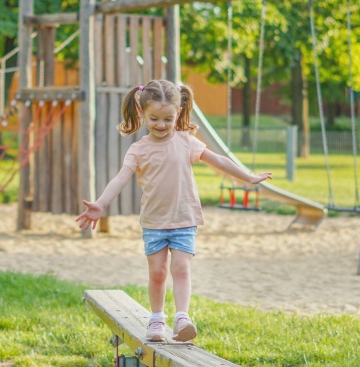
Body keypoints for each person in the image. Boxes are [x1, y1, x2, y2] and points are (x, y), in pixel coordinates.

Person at [75, 79, 272, 342]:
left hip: (184, 220)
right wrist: (101, 203)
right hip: (154, 223)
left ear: (177, 114)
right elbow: (120, 179)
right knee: (157, 273)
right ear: (142, 113)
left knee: (181, 268)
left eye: (168, 119)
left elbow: (219, 160)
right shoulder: (138, 150)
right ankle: (156, 320)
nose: (161, 124)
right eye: (154, 118)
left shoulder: (186, 142)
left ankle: (182, 318)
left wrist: (248, 177)